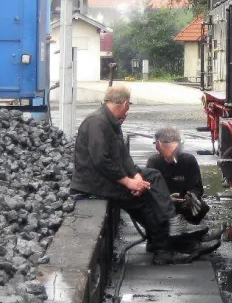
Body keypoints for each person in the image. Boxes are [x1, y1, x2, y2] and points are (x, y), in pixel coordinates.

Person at [71, 86, 218, 264]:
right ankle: (166, 246)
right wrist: (128, 182)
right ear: (125, 103)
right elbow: (100, 161)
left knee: (153, 177)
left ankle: (172, 230)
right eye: (129, 105)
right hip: (96, 183)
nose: (128, 109)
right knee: (146, 201)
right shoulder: (98, 123)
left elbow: (123, 156)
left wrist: (136, 176)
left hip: (108, 177)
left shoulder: (111, 122)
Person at [146, 127, 210, 225]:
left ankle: (192, 227)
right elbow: (150, 190)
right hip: (164, 203)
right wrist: (166, 199)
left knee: (202, 207)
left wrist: (192, 195)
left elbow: (197, 187)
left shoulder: (189, 160)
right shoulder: (154, 162)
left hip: (185, 203)